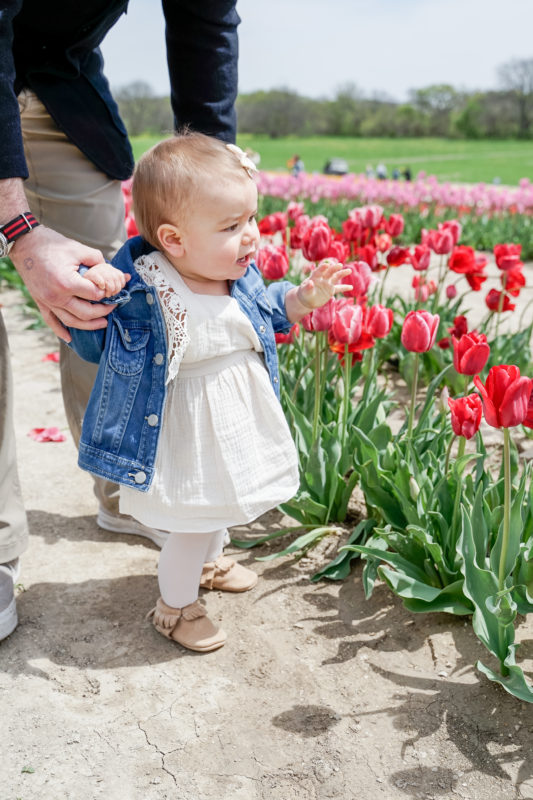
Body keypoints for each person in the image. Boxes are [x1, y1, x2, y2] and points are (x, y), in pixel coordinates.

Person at [0, 1, 240, 641]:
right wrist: (18, 229)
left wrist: (218, 174)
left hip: (57, 86)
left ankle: (124, 490)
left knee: (110, 302)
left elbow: (205, 19)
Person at [66, 132, 352, 652]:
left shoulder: (235, 276)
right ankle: (175, 607)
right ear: (174, 240)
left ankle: (210, 565)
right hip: (186, 429)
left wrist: (304, 297)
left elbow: (266, 309)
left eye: (251, 220)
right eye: (231, 226)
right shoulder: (145, 289)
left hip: (235, 418)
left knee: (222, 505)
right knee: (193, 522)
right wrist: (94, 295)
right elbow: (95, 346)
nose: (251, 237)